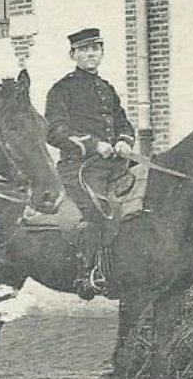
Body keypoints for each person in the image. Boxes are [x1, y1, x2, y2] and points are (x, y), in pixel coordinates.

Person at [44, 26, 137, 298]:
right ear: (73, 55)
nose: (90, 54)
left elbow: (123, 122)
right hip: (80, 168)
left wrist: (123, 141)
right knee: (99, 209)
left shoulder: (107, 88)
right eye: (84, 50)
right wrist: (94, 145)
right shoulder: (62, 90)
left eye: (95, 49)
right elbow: (55, 131)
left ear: (102, 52)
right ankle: (88, 273)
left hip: (115, 165)